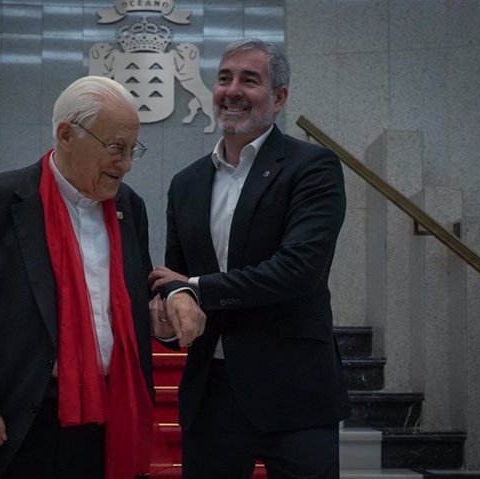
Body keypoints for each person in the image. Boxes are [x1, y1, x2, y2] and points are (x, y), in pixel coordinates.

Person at [0, 76, 201, 479]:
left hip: (108, 417)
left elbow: (132, 299)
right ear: (68, 134)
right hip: (16, 420)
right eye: (115, 148)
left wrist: (164, 315)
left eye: (132, 149)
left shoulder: (128, 207)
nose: (126, 164)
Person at [150, 39, 351, 479]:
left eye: (249, 80)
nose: (232, 90)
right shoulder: (186, 184)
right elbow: (173, 279)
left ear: (279, 98)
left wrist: (194, 287)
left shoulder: (313, 167)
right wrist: (166, 316)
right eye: (223, 79)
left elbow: (297, 271)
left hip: (294, 389)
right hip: (211, 392)